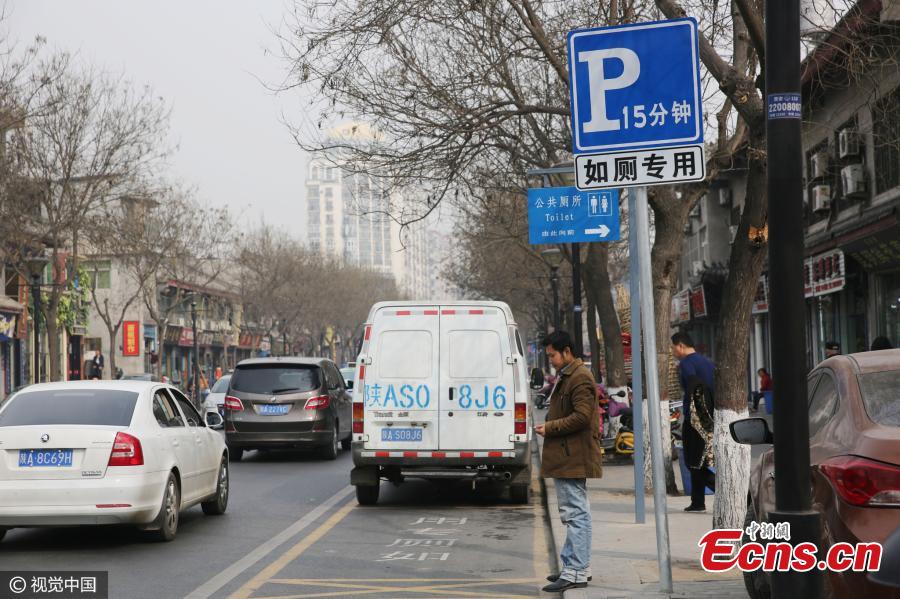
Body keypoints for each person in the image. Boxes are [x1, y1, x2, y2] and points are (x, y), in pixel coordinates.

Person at [534, 330, 602, 593]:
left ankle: (576, 571)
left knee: (575, 514)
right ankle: (575, 566)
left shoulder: (580, 377)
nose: (550, 359)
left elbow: (582, 417)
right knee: (574, 512)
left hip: (573, 455)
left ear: (566, 351)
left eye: (552, 355)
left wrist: (550, 428)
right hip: (567, 456)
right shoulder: (568, 375)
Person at [671, 331, 716, 512]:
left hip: (695, 418)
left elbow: (692, 384)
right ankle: (697, 502)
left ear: (681, 346)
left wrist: (693, 409)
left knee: (692, 461)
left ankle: (733, 494)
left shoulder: (686, 364)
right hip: (710, 416)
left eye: (674, 348)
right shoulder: (707, 362)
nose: (673, 352)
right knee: (699, 462)